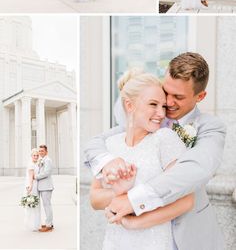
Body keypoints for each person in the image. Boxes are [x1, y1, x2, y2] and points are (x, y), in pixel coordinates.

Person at [84, 52, 226, 250]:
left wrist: (132, 202)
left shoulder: (210, 127)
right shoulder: (143, 123)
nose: (167, 102)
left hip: (190, 237)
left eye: (178, 97)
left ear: (200, 96)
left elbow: (196, 169)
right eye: (166, 91)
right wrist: (108, 161)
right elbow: (96, 142)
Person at [90, 69, 194, 249]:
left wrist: (136, 222)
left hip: (152, 241)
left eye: (163, 106)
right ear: (130, 105)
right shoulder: (110, 145)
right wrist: (119, 193)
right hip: (115, 240)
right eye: (153, 104)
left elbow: (186, 200)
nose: (161, 113)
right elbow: (94, 198)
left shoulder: (165, 139)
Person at [34, 145, 54, 232]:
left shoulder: (48, 160)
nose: (41, 152)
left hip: (46, 186)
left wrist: (36, 177)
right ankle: (49, 222)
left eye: (42, 151)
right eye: (40, 151)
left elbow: (47, 172)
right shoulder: (41, 160)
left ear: (46, 151)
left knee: (47, 205)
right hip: (42, 186)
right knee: (46, 205)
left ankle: (49, 225)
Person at [24, 148, 41, 232]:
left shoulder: (37, 164)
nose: (36, 156)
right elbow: (31, 177)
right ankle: (33, 225)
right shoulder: (31, 165)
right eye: (34, 155)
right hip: (32, 186)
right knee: (33, 205)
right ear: (31, 156)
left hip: (36, 186)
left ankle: (36, 224)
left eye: (37, 155)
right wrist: (30, 187)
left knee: (35, 205)